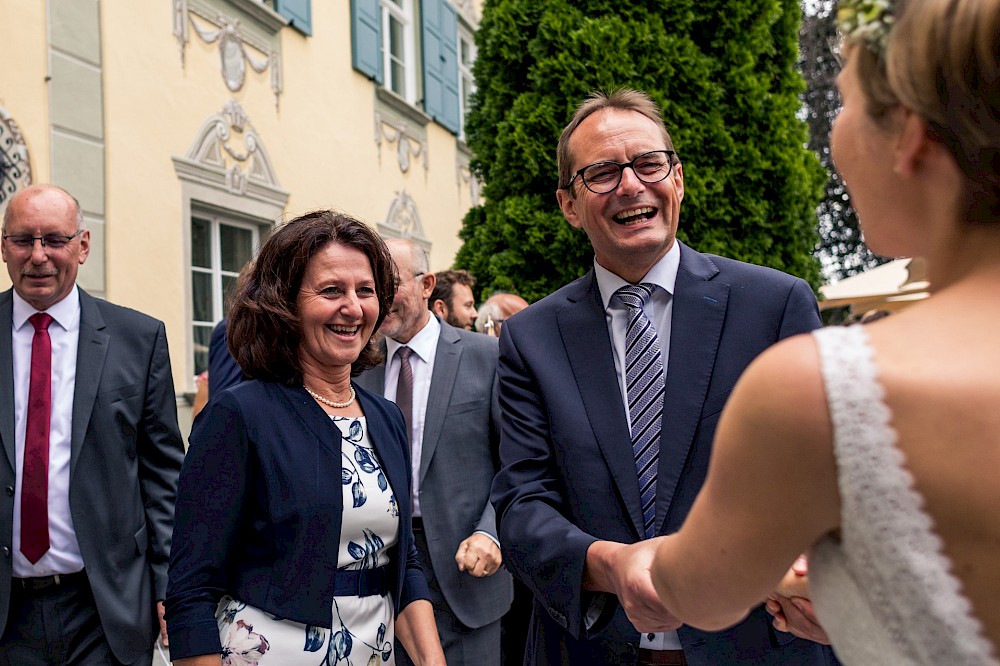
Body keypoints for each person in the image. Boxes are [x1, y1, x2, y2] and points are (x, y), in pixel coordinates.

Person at [650, 0, 1000, 663]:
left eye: (843, 103)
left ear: (912, 137)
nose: (833, 136)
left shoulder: (824, 388)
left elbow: (698, 592)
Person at [490, 89, 836, 666]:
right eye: (601, 173)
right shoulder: (531, 337)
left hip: (759, 645)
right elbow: (522, 505)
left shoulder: (774, 306)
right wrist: (611, 565)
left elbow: (826, 480)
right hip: (592, 648)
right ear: (569, 205)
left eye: (649, 164)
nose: (630, 185)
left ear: (677, 180)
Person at [165, 212, 445, 665]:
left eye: (366, 291)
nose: (353, 307)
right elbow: (191, 588)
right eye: (331, 290)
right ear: (285, 302)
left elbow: (404, 563)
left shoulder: (385, 417)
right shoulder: (240, 414)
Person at [0, 184, 185, 664]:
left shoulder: (138, 339)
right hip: (7, 617)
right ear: (3, 246)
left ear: (82, 246)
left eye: (54, 240)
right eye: (23, 240)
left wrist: (171, 585)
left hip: (104, 609)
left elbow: (163, 475)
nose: (38, 256)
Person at [357, 239, 513, 666]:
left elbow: (518, 466)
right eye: (369, 288)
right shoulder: (359, 367)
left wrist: (490, 531)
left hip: (468, 573)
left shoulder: (486, 357)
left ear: (427, 285)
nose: (378, 299)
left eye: (389, 284)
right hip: (382, 576)